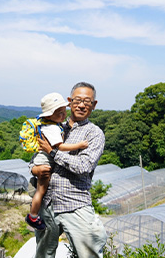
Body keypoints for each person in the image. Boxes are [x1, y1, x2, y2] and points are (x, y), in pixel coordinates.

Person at [30, 82, 107, 258]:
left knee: (89, 252)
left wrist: (53, 152)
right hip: (47, 204)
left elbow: (83, 166)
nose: (81, 105)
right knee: (43, 254)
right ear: (69, 102)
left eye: (87, 102)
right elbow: (35, 158)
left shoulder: (94, 134)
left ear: (94, 105)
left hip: (75, 203)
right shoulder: (53, 127)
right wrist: (35, 169)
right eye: (77, 100)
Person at [25, 92, 88, 231]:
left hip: (42, 160)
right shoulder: (52, 128)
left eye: (63, 111)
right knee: (41, 191)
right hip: (45, 162)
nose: (63, 115)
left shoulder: (49, 124)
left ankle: (34, 213)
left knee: (41, 191)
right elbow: (61, 147)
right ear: (48, 115)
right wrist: (80, 145)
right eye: (58, 113)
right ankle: (33, 216)